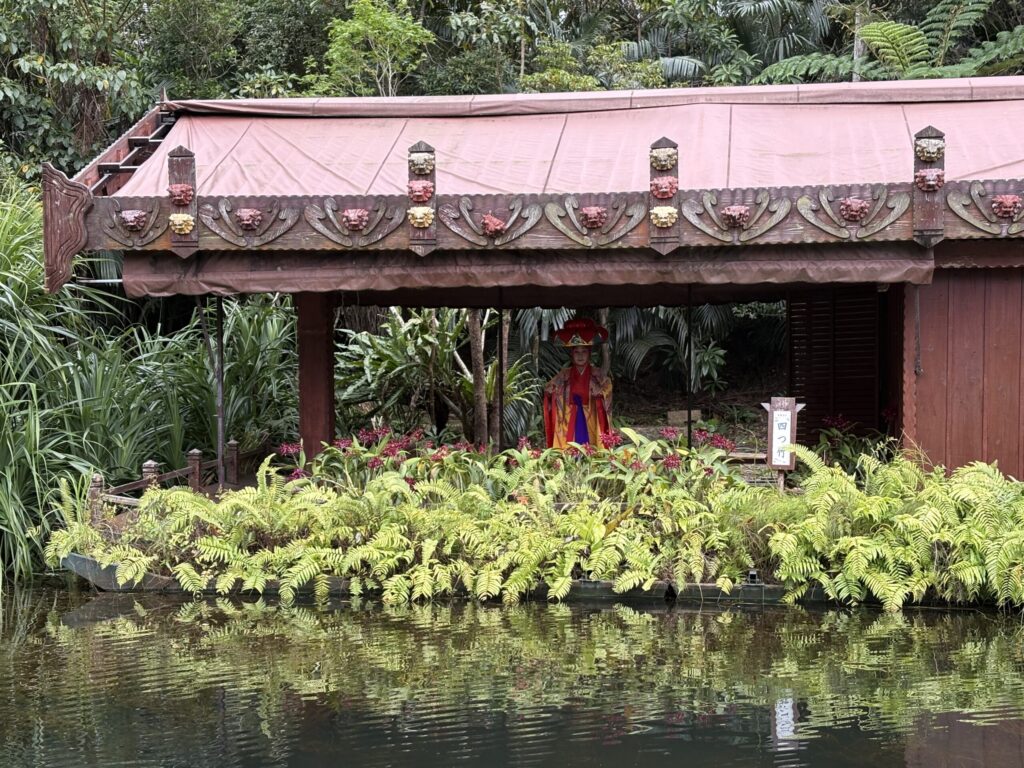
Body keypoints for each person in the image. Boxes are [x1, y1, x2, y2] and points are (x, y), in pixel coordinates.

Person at [543, 318, 612, 449]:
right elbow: (549, 387)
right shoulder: (564, 374)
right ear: (572, 354)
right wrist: (551, 391)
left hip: (590, 414)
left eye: (584, 351)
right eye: (576, 352)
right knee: (568, 447)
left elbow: (607, 387)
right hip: (568, 415)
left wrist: (600, 393)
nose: (580, 356)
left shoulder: (598, 375)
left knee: (592, 446)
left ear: (589, 353)